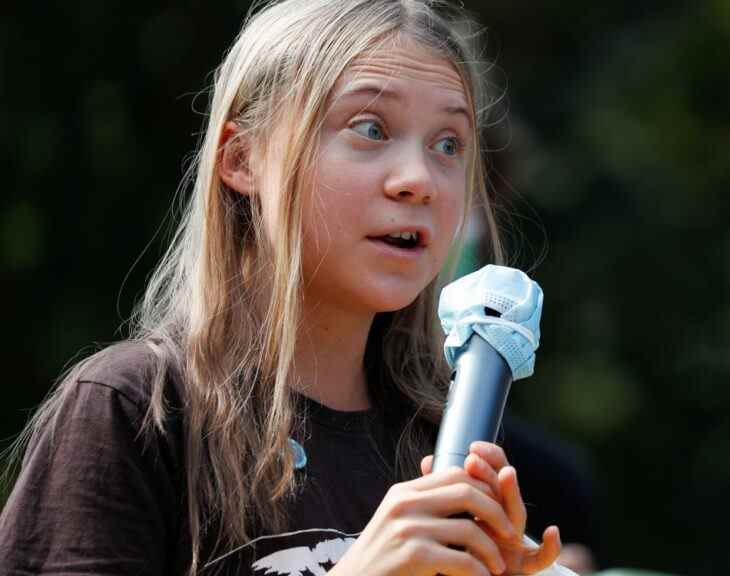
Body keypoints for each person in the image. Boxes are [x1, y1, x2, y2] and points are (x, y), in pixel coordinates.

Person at [0, 1, 574, 574]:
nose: (420, 180)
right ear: (242, 159)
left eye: (449, 143)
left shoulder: (445, 445)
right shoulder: (135, 411)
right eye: (370, 129)